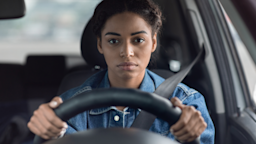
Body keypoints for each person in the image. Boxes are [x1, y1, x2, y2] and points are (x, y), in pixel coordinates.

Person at [27, 0, 215, 143]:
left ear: (154, 43)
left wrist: (193, 135)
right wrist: (48, 130)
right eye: (113, 41)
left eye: (138, 40)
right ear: (100, 44)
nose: (127, 52)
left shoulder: (186, 103)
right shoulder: (69, 107)